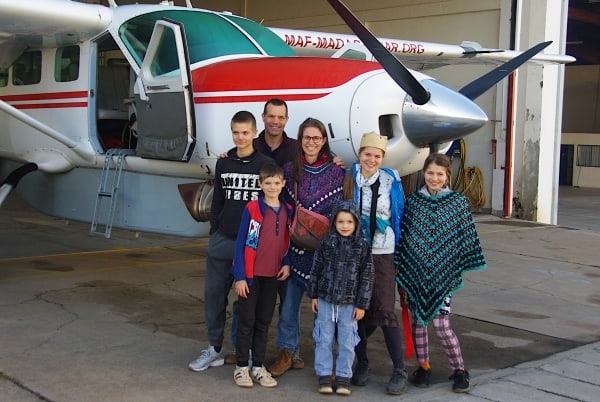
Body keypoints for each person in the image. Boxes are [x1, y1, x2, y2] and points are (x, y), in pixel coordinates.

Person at [188, 111, 274, 372]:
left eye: (245, 132)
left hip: (250, 245)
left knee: (245, 301)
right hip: (223, 240)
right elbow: (218, 202)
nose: (240, 137)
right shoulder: (224, 163)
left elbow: (270, 204)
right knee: (214, 296)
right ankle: (214, 348)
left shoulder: (265, 165)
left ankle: (241, 351)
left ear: (255, 133)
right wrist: (215, 230)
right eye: (236, 132)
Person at [394, 152, 486, 393]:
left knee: (441, 325)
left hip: (442, 277)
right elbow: (406, 238)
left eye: (439, 174)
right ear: (423, 173)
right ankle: (423, 367)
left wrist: (451, 264)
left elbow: (466, 239)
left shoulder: (457, 203)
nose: (434, 178)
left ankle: (459, 370)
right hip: (415, 274)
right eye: (430, 173)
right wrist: (404, 269)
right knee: (418, 325)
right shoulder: (414, 202)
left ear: (447, 176)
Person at [269, 117, 345, 377]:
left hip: (323, 252)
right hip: (293, 247)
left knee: (321, 310)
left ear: (323, 141)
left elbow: (340, 210)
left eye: (316, 138)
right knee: (288, 306)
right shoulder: (290, 170)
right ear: (300, 141)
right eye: (306, 138)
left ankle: (323, 358)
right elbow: (281, 205)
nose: (311, 142)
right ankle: (287, 352)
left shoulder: (336, 172)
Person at [343, 131, 408, 395]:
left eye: (377, 155)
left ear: (383, 157)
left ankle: (399, 369)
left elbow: (399, 212)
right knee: (358, 308)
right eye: (367, 154)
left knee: (384, 308)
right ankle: (362, 364)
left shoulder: (391, 179)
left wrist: (400, 249)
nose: (372, 159)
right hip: (356, 250)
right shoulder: (349, 177)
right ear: (360, 154)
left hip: (383, 250)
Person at [231, 163, 293, 388]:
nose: (272, 187)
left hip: (272, 277)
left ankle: (258, 365)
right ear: (260, 184)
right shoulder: (253, 209)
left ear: (283, 184)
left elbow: (286, 241)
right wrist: (239, 276)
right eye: (268, 183)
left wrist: (286, 263)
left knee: (264, 321)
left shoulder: (286, 210)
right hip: (250, 276)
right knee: (246, 320)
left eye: (277, 183)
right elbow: (240, 244)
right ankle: (241, 366)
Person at [308, 200, 374, 396]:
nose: (345, 226)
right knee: (323, 339)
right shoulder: (327, 243)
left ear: (356, 224)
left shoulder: (362, 246)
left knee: (348, 341)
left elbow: (367, 276)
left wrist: (362, 304)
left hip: (349, 304)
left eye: (349, 222)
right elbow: (316, 268)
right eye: (340, 222)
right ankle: (324, 375)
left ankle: (344, 376)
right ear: (334, 223)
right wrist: (313, 295)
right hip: (326, 300)